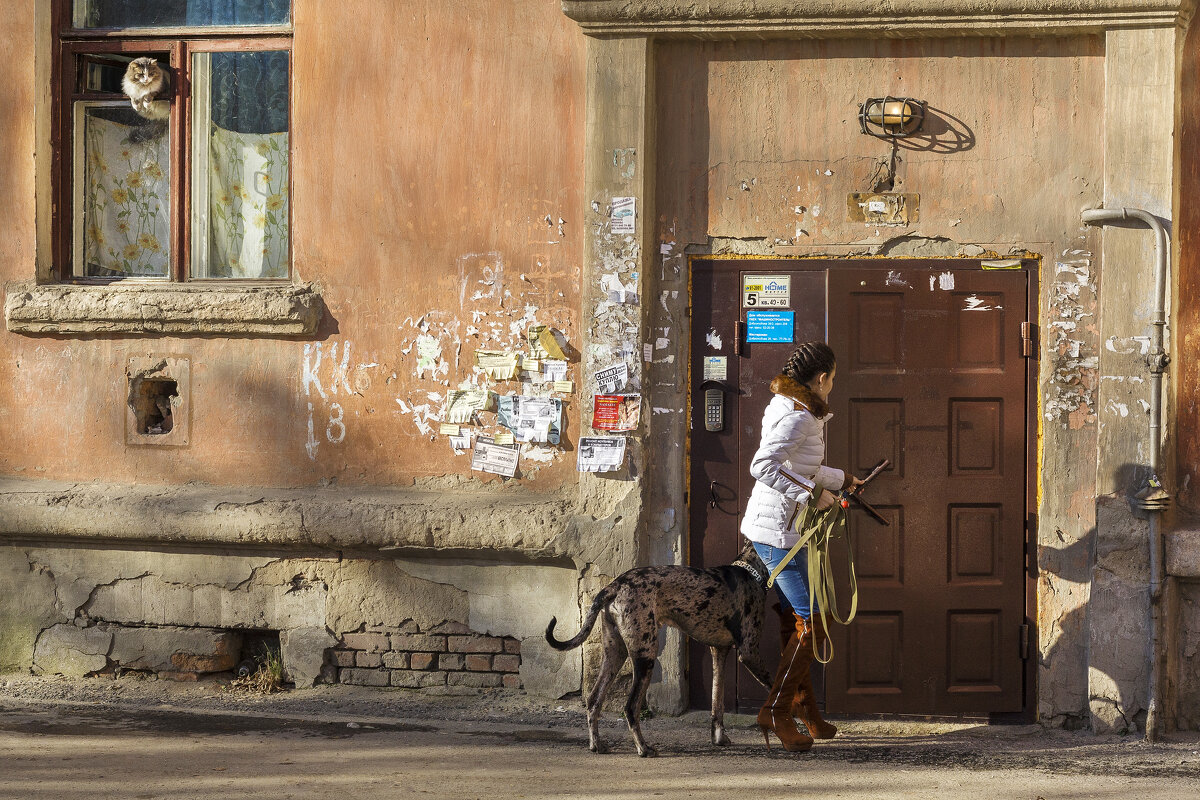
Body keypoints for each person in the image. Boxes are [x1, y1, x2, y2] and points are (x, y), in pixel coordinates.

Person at [740, 341, 862, 753]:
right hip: (777, 533)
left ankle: (805, 709)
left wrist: (841, 479)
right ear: (823, 378)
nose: (834, 385)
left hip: (781, 528)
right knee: (813, 619)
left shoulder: (790, 406)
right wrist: (812, 494)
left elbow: (797, 466)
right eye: (833, 378)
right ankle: (775, 711)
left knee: (801, 615)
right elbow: (763, 467)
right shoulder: (799, 417)